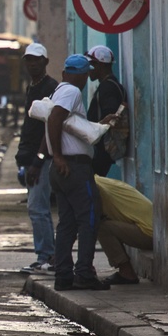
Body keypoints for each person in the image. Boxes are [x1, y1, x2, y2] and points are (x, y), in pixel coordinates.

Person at [48, 55, 110, 291]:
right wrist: (58, 156)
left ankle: (63, 274)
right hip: (72, 167)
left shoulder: (60, 91)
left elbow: (68, 125)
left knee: (68, 222)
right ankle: (83, 272)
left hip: (64, 168)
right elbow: (55, 119)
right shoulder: (71, 92)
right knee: (90, 217)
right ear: (82, 75)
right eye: (85, 75)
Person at [15, 43, 58, 275]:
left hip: (41, 160)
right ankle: (46, 256)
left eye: (36, 60)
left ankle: (47, 257)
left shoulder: (50, 88)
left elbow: (48, 129)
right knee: (37, 208)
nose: (32, 64)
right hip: (31, 158)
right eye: (29, 60)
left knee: (38, 207)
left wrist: (38, 161)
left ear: (45, 62)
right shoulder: (32, 87)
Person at [94, 176, 153, 285]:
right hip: (151, 228)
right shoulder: (100, 181)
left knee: (102, 227)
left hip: (148, 232)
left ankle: (127, 273)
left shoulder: (95, 188)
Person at [86, 45, 127, 176]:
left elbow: (111, 118)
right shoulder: (110, 85)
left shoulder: (108, 87)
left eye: (92, 64)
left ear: (101, 65)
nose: (89, 69)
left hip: (101, 150)